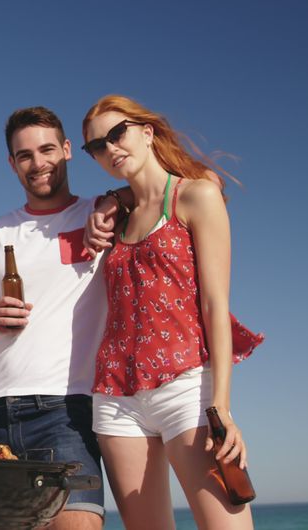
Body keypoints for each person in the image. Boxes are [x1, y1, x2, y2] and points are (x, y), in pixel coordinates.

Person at [81, 94, 263, 529]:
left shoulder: (195, 196)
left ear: (147, 132)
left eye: (117, 134)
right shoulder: (115, 219)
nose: (110, 148)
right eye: (97, 146)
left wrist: (221, 407)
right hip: (115, 397)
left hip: (186, 386)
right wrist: (110, 199)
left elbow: (215, 305)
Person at [0, 106, 110, 530]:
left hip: (67, 410)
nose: (37, 162)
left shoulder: (102, 213)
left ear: (67, 150)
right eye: (24, 155)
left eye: (47, 149)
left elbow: (158, 187)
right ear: (12, 164)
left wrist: (116, 199)